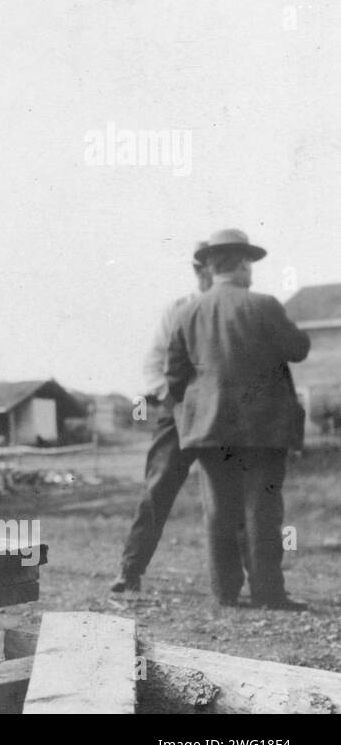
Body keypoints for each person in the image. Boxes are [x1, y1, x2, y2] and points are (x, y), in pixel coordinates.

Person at [166, 229, 310, 611]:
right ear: (244, 264)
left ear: (212, 267)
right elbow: (298, 349)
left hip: (208, 431)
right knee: (261, 510)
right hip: (263, 429)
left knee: (218, 511)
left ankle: (224, 593)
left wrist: (198, 408)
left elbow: (174, 376)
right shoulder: (263, 305)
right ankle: (268, 593)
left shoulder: (187, 312)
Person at [110, 241, 213, 593]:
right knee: (158, 489)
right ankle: (130, 569)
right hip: (180, 412)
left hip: (223, 415)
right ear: (199, 271)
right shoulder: (179, 309)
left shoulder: (234, 306)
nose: (211, 275)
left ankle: (240, 583)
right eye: (205, 269)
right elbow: (153, 364)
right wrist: (172, 402)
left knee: (233, 494)